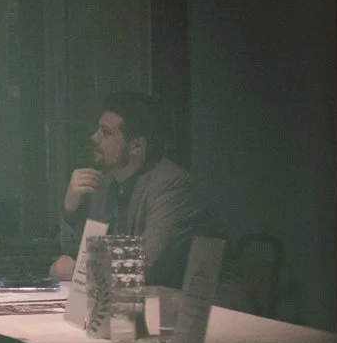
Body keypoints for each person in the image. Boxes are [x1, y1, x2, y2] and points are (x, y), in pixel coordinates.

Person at [50, 91, 216, 291]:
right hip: (138, 302)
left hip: (208, 311)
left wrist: (79, 269)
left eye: (106, 132)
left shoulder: (172, 185)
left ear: (136, 146)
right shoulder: (106, 182)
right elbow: (77, 251)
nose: (94, 137)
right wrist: (71, 208)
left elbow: (147, 264)